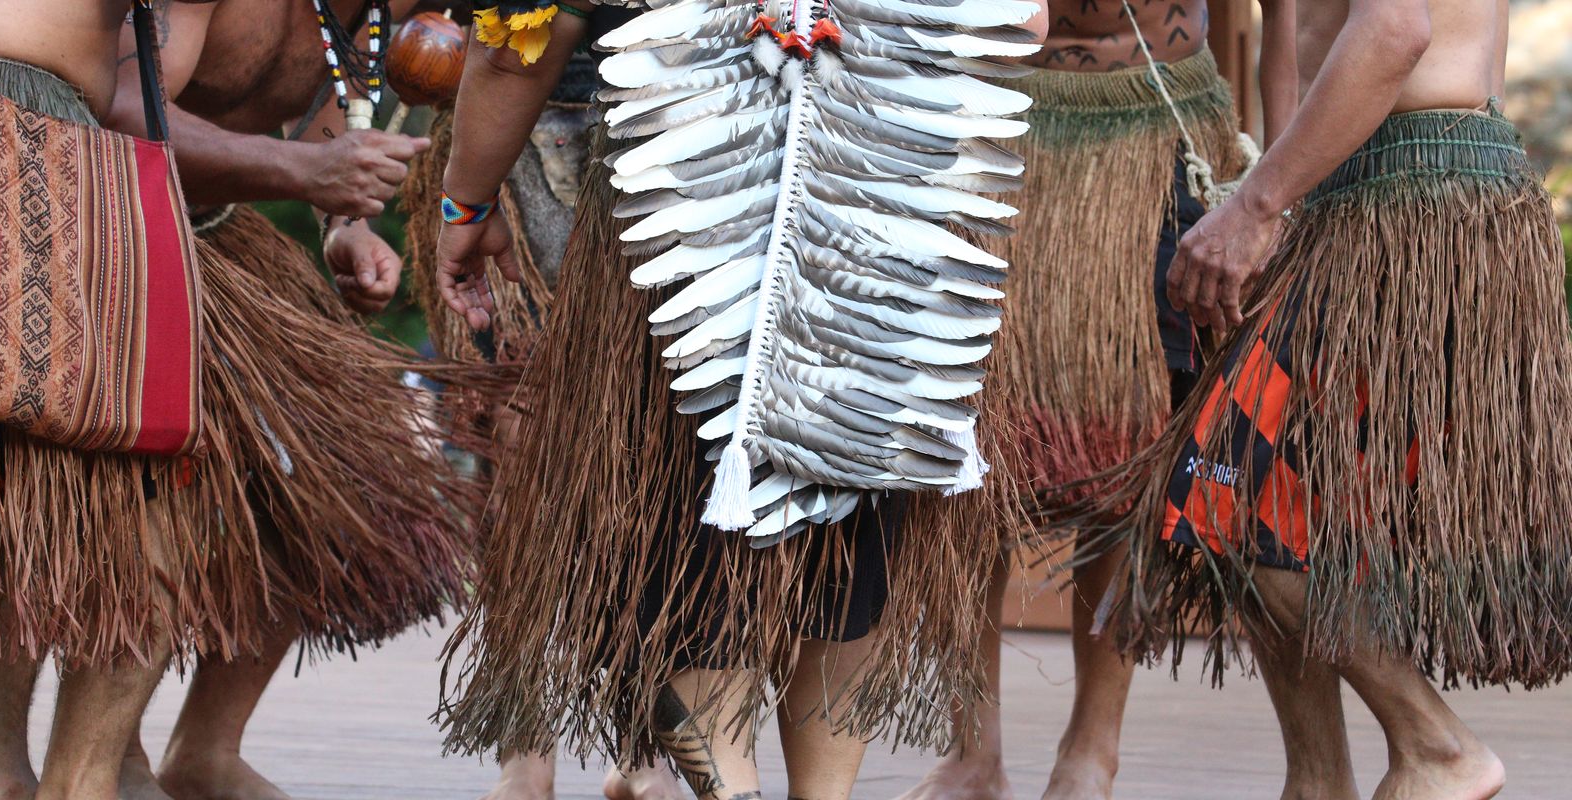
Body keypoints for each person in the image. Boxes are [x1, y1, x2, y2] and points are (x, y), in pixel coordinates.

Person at [433, 0, 1046, 797]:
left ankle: (731, 786)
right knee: (852, 506)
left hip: (690, 199)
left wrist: (466, 203)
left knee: (677, 524)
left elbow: (515, 53)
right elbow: (1024, 26)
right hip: (888, 187)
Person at [1058, 0, 1571, 798]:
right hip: (1397, 187)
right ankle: (1318, 780)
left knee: (1227, 497)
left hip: (1407, 194)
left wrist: (1256, 208)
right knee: (1281, 513)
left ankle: (1436, 748)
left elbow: (1396, 27)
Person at [897, 2, 1292, 798]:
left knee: (1130, 452)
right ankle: (973, 749)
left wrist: (1277, 189)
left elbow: (1279, 15)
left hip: (1153, 122)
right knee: (970, 456)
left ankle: (1093, 746)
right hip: (991, 118)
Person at [102, 3, 482, 798]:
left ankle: (205, 751)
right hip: (103, 225)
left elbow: (321, 119)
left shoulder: (368, 17)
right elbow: (118, 103)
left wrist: (343, 221)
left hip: (217, 229)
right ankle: (103, 757)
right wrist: (300, 174)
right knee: (118, 495)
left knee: (337, 471)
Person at [0, 3, 253, 800]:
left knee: (16, 480)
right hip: (13, 112)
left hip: (26, 112)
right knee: (142, 483)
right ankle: (73, 783)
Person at [400, 43, 687, 799]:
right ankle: (524, 749)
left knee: (652, 458)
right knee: (518, 454)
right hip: (514, 145)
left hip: (677, 130)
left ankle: (643, 740)